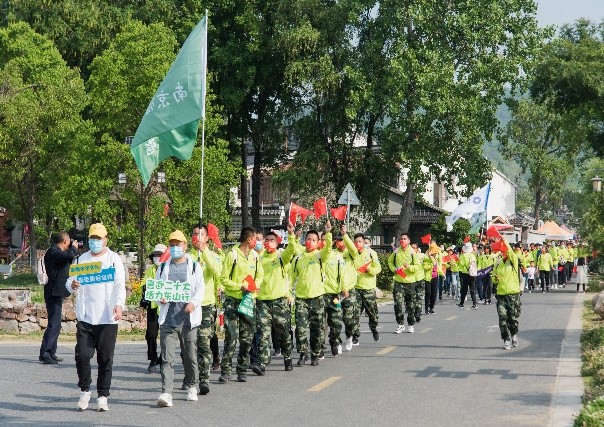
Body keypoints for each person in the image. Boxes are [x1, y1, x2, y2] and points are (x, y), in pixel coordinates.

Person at [65, 223, 126, 412]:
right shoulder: (81, 259)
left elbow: (119, 285)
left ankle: (102, 395)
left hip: (107, 318)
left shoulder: (113, 260)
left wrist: (119, 305)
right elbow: (69, 281)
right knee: (82, 355)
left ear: (106, 239)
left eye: (99, 239)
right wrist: (72, 285)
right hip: (86, 317)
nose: (95, 242)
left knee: (105, 359)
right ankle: (85, 390)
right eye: (92, 238)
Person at [155, 230, 205, 407]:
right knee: (167, 358)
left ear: (185, 245)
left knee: (190, 356)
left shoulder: (193, 266)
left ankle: (192, 385)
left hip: (187, 319)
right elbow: (157, 289)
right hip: (168, 319)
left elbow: (200, 289)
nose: (175, 247)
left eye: (178, 244)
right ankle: (166, 392)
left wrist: (194, 302)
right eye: (172, 244)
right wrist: (160, 297)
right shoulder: (162, 267)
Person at [219, 227, 264, 382]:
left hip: (248, 300)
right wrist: (240, 286)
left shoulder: (255, 256)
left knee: (247, 336)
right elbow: (223, 279)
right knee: (231, 335)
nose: (257, 242)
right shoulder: (232, 255)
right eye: (255, 239)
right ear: (249, 239)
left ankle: (242, 369)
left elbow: (260, 275)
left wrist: (254, 286)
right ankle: (226, 370)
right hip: (233, 300)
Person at [254, 224, 297, 373]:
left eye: (272, 240)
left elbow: (292, 250)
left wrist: (291, 234)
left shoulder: (281, 256)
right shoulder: (259, 258)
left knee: (283, 332)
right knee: (263, 333)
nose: (268, 242)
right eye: (267, 240)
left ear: (277, 242)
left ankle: (287, 357)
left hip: (280, 301)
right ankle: (263, 363)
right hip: (263, 301)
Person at [292, 222, 332, 366]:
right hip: (301, 298)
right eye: (308, 239)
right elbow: (291, 277)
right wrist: (288, 294)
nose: (310, 242)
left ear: (318, 242)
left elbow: (328, 249)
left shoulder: (321, 256)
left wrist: (328, 233)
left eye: (314, 240)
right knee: (301, 328)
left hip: (317, 298)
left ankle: (315, 354)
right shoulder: (298, 258)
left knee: (316, 328)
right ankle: (303, 353)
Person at [189, 225, 222, 395]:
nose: (197, 237)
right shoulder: (187, 257)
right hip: (188, 306)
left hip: (205, 306)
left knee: (203, 343)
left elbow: (217, 272)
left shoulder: (213, 256)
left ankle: (204, 379)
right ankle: (190, 378)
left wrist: (205, 253)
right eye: (195, 234)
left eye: (201, 235)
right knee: (188, 344)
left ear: (207, 238)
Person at [39, 232, 79, 365]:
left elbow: (69, 258)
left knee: (56, 324)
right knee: (54, 323)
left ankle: (51, 352)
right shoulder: (54, 251)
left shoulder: (58, 252)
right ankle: (45, 353)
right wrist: (74, 247)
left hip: (57, 292)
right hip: (52, 292)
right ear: (65, 241)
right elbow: (69, 255)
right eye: (69, 241)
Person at [342, 225, 382, 343]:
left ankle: (374, 328)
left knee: (373, 314)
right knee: (355, 314)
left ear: (364, 242)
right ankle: (355, 334)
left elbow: (378, 268)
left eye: (360, 241)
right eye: (355, 242)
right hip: (356, 288)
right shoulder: (352, 254)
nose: (357, 243)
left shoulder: (371, 253)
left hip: (368, 288)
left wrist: (371, 270)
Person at [140, 244, 167, 373]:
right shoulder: (151, 270)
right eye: (155, 255)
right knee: (150, 335)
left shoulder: (169, 268)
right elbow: (145, 289)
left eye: (160, 255)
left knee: (166, 336)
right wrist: (142, 308)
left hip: (166, 308)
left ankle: (163, 359)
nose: (157, 257)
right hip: (153, 307)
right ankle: (153, 357)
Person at [319, 229, 347, 357]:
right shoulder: (317, 256)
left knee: (335, 323)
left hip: (334, 295)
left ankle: (334, 341)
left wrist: (344, 288)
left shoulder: (337, 257)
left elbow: (343, 274)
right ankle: (319, 347)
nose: (324, 242)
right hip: (319, 294)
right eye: (322, 240)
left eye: (326, 239)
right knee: (319, 323)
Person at [388, 232, 420, 333]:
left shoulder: (412, 252)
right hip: (398, 281)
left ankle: (410, 323)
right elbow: (390, 262)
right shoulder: (396, 251)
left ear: (409, 241)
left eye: (404, 239)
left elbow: (418, 266)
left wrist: (409, 267)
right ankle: (400, 324)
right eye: (401, 239)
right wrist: (394, 269)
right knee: (397, 303)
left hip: (410, 283)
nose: (402, 240)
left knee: (410, 305)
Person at [492, 240, 521, 350]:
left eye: (505, 251)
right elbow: (493, 275)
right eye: (502, 251)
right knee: (502, 318)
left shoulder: (513, 261)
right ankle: (506, 339)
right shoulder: (498, 263)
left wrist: (504, 241)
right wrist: (495, 279)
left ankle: (513, 334)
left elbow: (511, 252)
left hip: (513, 293)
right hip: (501, 293)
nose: (503, 253)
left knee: (512, 318)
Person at [335, 234, 358, 351]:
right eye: (337, 241)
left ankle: (349, 336)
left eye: (341, 240)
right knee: (336, 319)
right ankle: (337, 342)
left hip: (349, 291)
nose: (339, 243)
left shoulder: (350, 253)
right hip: (336, 292)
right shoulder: (333, 254)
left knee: (348, 319)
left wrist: (345, 235)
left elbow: (354, 250)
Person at [458, 242, 478, 309]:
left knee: (464, 289)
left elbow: (461, 264)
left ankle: (461, 303)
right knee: (472, 289)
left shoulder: (463, 256)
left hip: (465, 274)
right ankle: (474, 303)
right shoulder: (473, 255)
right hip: (473, 274)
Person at [423, 243, 440, 314]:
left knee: (434, 293)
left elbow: (438, 268)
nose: (435, 254)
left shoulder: (436, 259)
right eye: (434, 253)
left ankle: (431, 308)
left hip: (435, 277)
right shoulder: (425, 258)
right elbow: (425, 267)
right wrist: (431, 265)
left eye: (436, 253)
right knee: (428, 293)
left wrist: (442, 274)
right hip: (428, 278)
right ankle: (426, 308)